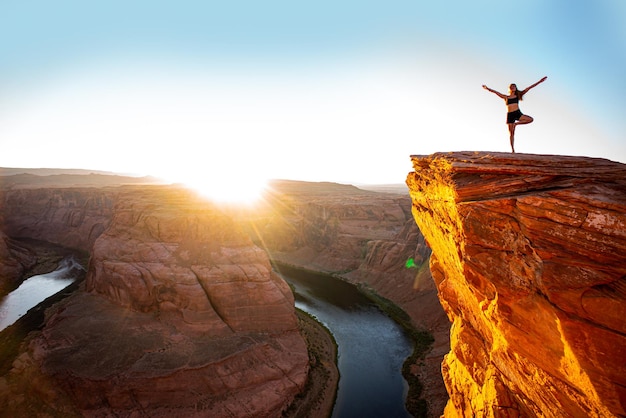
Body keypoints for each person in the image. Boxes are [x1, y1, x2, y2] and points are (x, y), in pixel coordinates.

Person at [482, 76, 547, 153]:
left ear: (516, 88)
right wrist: (488, 88)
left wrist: (539, 81)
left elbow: (528, 88)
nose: (513, 87)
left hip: (517, 113)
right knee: (511, 134)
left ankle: (517, 124)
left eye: (514, 86)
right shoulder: (506, 97)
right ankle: (513, 150)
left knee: (530, 119)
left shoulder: (518, 95)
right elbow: (496, 93)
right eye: (511, 87)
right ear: (509, 88)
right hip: (510, 115)